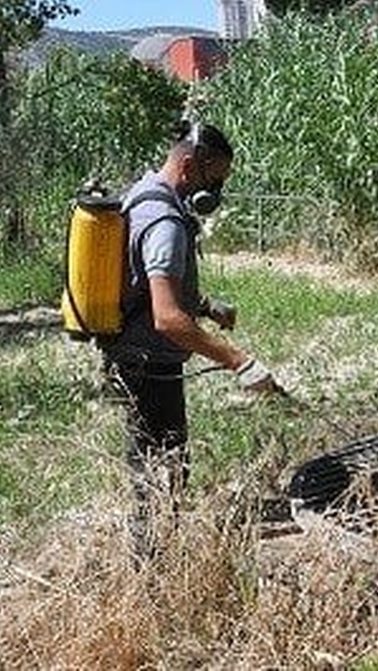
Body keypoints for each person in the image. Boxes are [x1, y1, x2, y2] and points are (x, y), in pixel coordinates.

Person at [98, 119, 278, 559]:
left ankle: (154, 551)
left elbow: (144, 282)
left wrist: (207, 306)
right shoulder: (166, 222)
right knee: (163, 468)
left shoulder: (142, 193)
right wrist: (239, 361)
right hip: (149, 364)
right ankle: (152, 564)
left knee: (154, 462)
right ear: (191, 164)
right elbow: (167, 318)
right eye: (215, 179)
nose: (215, 192)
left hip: (133, 356)